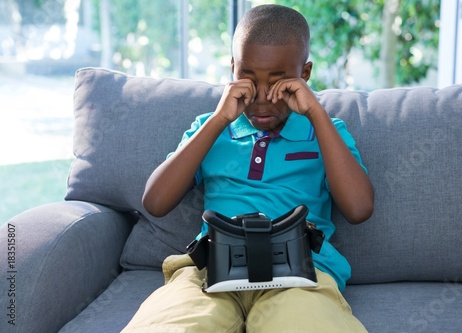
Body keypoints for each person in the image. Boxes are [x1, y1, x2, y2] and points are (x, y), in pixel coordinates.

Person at [122, 4, 374, 333]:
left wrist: (315, 113)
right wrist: (218, 120)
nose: (263, 97)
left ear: (305, 74)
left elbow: (359, 208)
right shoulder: (209, 127)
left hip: (300, 275)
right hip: (211, 270)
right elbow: (155, 202)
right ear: (232, 69)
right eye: (248, 78)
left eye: (279, 81)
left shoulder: (326, 131)